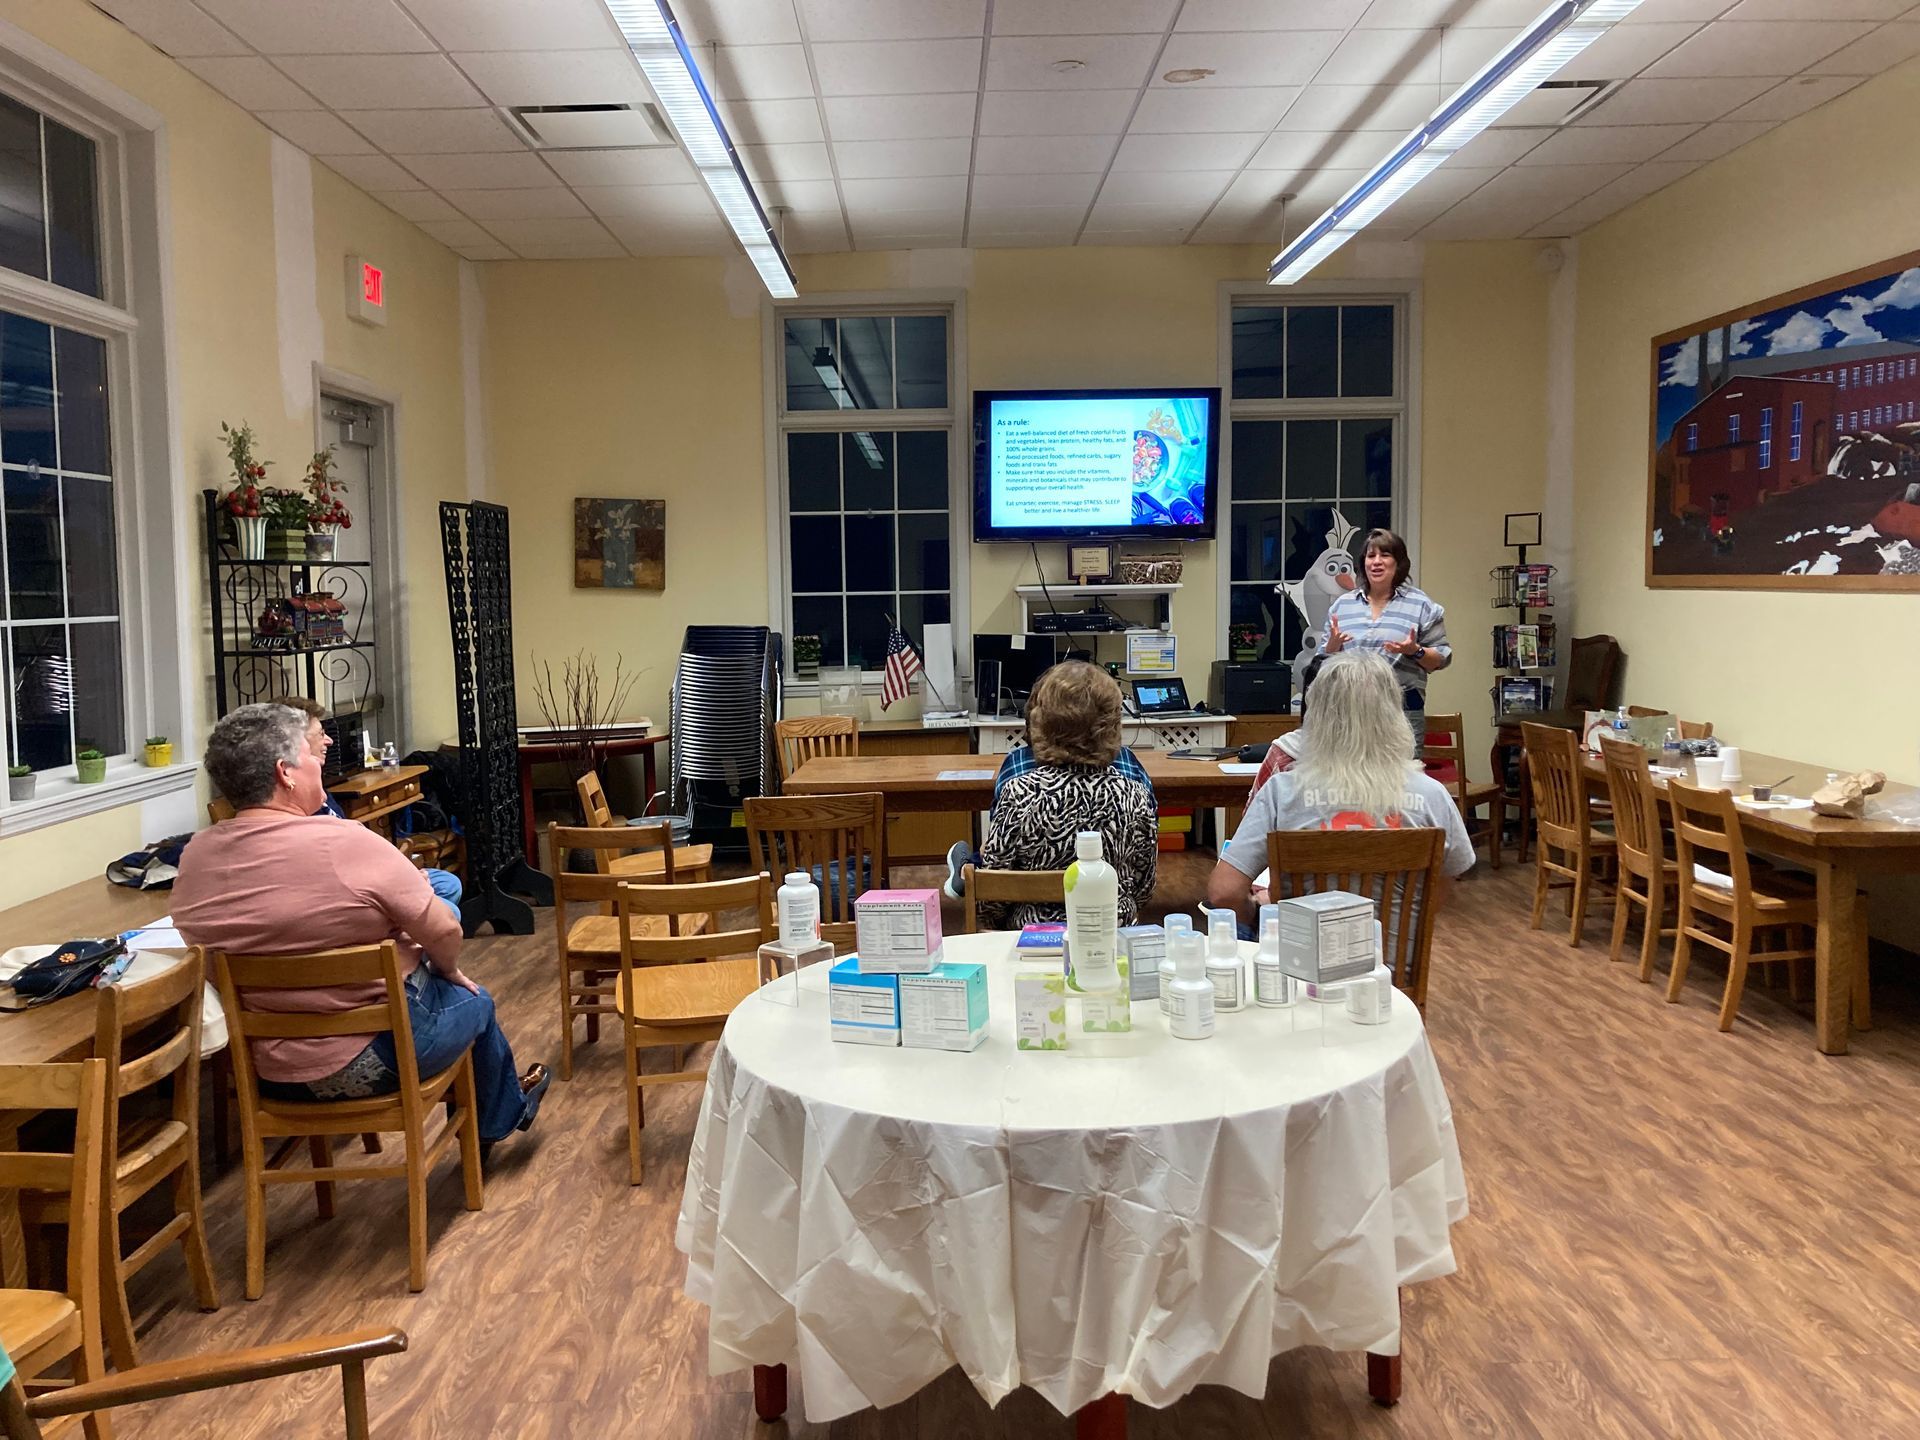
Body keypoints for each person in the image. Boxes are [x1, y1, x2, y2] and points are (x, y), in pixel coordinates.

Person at [173, 703, 548, 1150]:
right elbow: (446, 932)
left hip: (267, 1074)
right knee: (475, 1001)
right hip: (371, 1062)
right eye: (310, 755)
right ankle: (498, 1118)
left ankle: (500, 1107)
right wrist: (446, 969)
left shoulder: (195, 858)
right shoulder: (344, 842)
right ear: (285, 773)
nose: (320, 764)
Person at [1207, 652, 1474, 934]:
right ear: (1395, 713)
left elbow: (1224, 892)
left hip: (1300, 958)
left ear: (1315, 714)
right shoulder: (1432, 795)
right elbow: (1441, 886)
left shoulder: (1281, 793)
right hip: (1390, 960)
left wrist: (1258, 914)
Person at [972, 661, 1158, 930]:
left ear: (1041, 723)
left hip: (1032, 938)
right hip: (1111, 932)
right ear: (1112, 725)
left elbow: (992, 896)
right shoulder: (1134, 795)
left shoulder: (1019, 793)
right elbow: (1143, 889)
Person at [266, 695, 463, 919]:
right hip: (349, 890)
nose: (329, 741)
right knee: (449, 912)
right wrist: (395, 882)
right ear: (297, 744)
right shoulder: (294, 803)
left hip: (363, 874)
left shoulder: (318, 787)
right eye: (320, 734)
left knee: (447, 884)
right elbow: (334, 873)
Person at [1320, 527, 1451, 715]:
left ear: (1399, 563)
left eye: (1385, 555)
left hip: (1402, 710)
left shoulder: (1421, 604)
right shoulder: (1341, 606)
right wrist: (1332, 646)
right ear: (1363, 563)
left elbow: (1440, 660)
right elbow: (1321, 665)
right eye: (1371, 556)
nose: (1376, 562)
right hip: (1349, 711)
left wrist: (1415, 650)